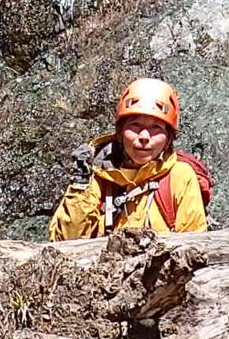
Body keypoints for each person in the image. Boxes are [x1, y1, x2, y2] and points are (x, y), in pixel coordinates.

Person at [48, 77, 211, 239]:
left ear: (169, 138)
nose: (145, 136)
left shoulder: (179, 176)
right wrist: (80, 186)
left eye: (156, 127)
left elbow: (193, 246)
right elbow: (67, 243)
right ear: (120, 132)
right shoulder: (97, 176)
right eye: (135, 125)